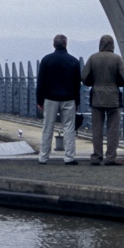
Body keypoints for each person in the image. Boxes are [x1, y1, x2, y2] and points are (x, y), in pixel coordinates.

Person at [81, 34, 124, 166]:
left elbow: (84, 77)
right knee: (113, 129)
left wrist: (94, 82)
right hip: (113, 97)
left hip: (97, 97)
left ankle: (96, 156)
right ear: (112, 45)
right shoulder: (117, 59)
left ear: (100, 44)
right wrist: (116, 83)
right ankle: (111, 157)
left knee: (97, 128)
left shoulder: (93, 58)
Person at [35, 34, 81, 165]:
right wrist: (77, 101)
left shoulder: (46, 60)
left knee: (47, 127)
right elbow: (77, 84)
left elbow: (41, 82)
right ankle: (69, 157)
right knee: (69, 128)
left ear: (54, 45)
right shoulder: (74, 61)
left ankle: (43, 157)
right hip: (69, 98)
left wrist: (40, 100)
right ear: (66, 44)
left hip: (50, 98)